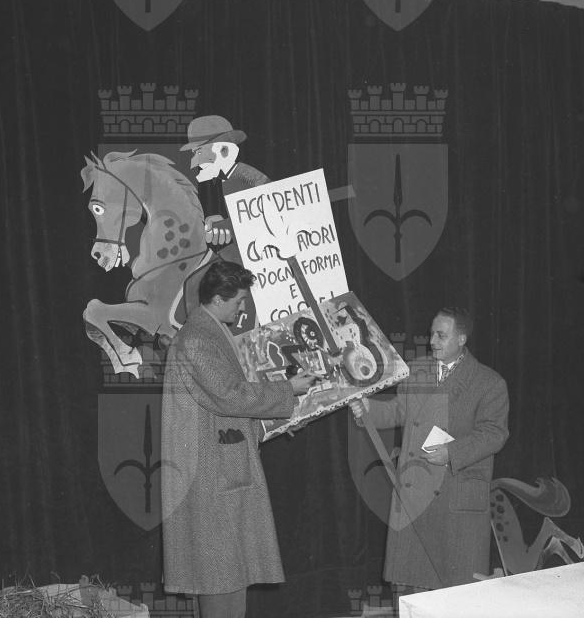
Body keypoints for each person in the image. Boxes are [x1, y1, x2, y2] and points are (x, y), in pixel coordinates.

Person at [161, 260, 318, 618]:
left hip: (217, 471)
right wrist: (287, 390)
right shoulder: (197, 339)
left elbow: (216, 410)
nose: (243, 307)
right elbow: (228, 395)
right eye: (239, 301)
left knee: (226, 575)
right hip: (211, 478)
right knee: (221, 579)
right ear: (218, 299)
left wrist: (269, 425)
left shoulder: (206, 332)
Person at [350, 307, 509, 598]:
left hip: (457, 496)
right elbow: (398, 411)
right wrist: (369, 409)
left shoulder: (489, 383)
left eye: (441, 335)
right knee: (409, 589)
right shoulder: (416, 371)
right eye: (432, 334)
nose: (432, 341)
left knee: (457, 594)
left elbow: (494, 434)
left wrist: (452, 452)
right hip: (415, 495)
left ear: (461, 339)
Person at [180, 114, 270, 246]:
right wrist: (221, 223)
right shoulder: (224, 180)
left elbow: (268, 215)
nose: (196, 162)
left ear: (224, 150)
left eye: (199, 153)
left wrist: (225, 225)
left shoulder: (246, 176)